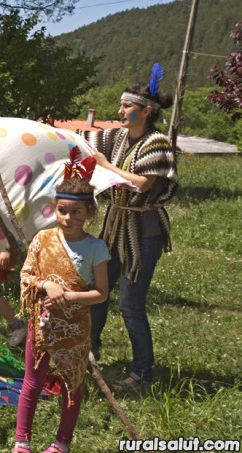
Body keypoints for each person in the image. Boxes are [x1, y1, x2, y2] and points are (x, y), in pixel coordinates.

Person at [84, 69, 178, 393]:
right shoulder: (118, 137)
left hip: (144, 233)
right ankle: (89, 353)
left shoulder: (157, 142)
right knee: (98, 291)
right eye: (121, 105)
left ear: (146, 110)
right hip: (114, 228)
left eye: (127, 106)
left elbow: (140, 184)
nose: (120, 111)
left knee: (130, 304)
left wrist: (105, 165)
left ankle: (142, 375)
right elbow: (84, 140)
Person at [13, 175, 110, 453]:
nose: (67, 218)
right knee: (32, 382)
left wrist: (68, 298)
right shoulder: (43, 239)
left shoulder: (96, 248)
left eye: (76, 212)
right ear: (54, 209)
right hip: (42, 326)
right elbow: (26, 275)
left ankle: (62, 443)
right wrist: (47, 285)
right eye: (62, 210)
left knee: (72, 383)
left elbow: (101, 293)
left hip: (76, 328)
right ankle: (21, 442)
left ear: (89, 213)